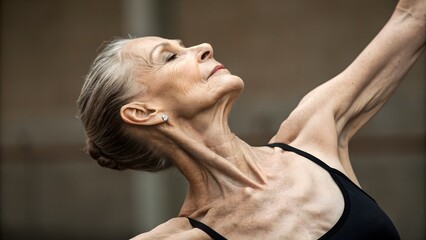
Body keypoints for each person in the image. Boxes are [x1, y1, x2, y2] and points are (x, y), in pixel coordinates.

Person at [77, 0, 424, 239]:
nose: (204, 47)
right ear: (144, 112)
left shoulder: (311, 134)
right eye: (169, 57)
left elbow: (413, 17)